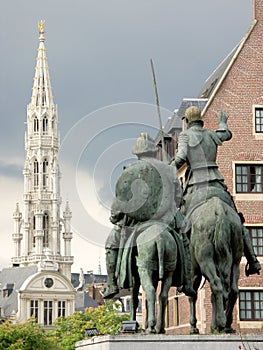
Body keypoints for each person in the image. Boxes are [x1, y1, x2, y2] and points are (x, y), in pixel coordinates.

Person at [103, 132, 196, 299]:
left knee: (111, 244)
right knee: (185, 239)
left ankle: (111, 284)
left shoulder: (130, 171)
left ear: (138, 153)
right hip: (167, 219)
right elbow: (178, 198)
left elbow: (120, 201)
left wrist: (116, 216)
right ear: (154, 151)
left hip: (135, 222)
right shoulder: (168, 170)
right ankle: (187, 282)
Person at [171, 106, 261, 276]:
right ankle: (252, 259)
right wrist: (222, 122)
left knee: (181, 225)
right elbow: (225, 134)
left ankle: (181, 266)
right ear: (200, 119)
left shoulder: (185, 135)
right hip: (217, 184)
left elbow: (181, 157)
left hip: (196, 186)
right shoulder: (210, 134)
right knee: (238, 222)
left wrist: (171, 166)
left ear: (188, 121)